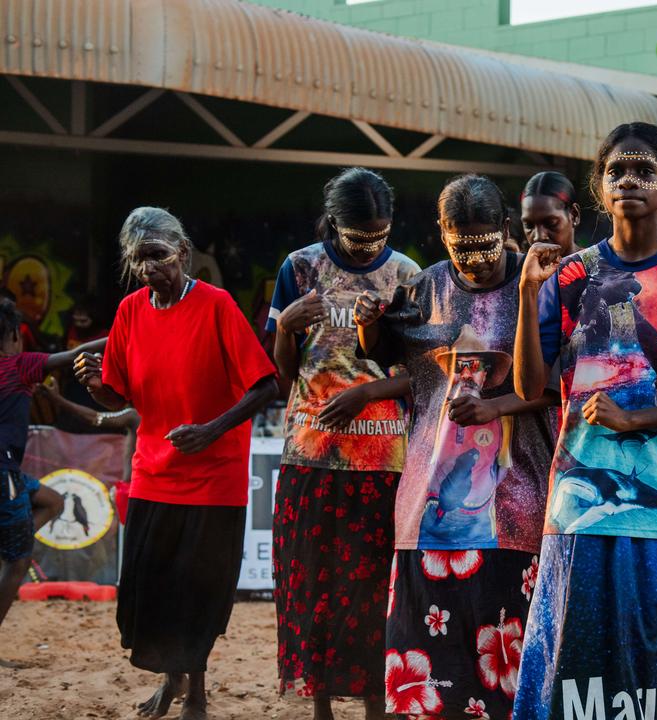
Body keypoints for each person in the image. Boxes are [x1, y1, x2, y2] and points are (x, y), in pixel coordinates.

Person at [510, 122, 657, 719]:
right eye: (616, 171)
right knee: (578, 669)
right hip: (580, 502)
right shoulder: (568, 276)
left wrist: (640, 418)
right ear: (600, 185)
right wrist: (524, 295)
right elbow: (529, 388)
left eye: (645, 170)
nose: (630, 182)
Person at [355, 174, 558, 720]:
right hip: (429, 504)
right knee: (431, 656)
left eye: (484, 244)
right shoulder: (426, 287)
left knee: (508, 658)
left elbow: (564, 382)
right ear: (442, 234)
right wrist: (366, 328)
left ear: (505, 230)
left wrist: (497, 406)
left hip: (518, 500)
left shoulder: (538, 282)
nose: (473, 260)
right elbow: (386, 354)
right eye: (459, 245)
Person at [75, 207, 278, 720]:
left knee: (197, 594)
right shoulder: (130, 312)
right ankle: (172, 683)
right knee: (155, 592)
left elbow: (265, 385)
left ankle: (198, 695)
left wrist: (211, 429)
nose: (150, 270)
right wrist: (97, 386)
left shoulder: (217, 305)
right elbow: (121, 397)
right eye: (139, 261)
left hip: (214, 477)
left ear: (183, 253)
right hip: (153, 473)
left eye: (158, 257)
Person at [267, 168, 420, 720]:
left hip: (382, 457)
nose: (370, 246)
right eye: (359, 236)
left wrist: (368, 393)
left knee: (375, 588)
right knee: (313, 585)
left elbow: (424, 373)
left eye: (380, 234)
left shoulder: (406, 275)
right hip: (310, 453)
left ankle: (378, 704)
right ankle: (323, 707)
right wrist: (285, 327)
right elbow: (283, 377)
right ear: (335, 224)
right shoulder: (300, 267)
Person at [0, 297, 94, 627]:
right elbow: (70, 357)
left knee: (52, 501)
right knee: (19, 561)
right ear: (13, 335)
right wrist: (123, 333)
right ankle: (11, 549)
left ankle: (10, 544)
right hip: (4, 472)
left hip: (10, 473)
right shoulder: (18, 365)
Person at [520, 171, 581, 256]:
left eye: (551, 223)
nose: (538, 236)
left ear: (574, 215)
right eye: (528, 225)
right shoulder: (518, 267)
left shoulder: (599, 266)